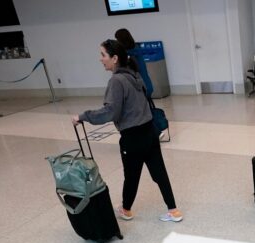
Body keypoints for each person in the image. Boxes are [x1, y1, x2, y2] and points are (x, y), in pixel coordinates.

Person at [72, 39, 183, 223]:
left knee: (131, 176)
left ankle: (126, 210)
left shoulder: (117, 80)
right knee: (159, 173)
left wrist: (82, 116)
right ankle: (173, 210)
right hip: (150, 131)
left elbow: (110, 112)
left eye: (103, 55)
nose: (101, 59)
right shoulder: (134, 74)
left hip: (133, 137)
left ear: (114, 58)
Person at [115, 28, 154, 99]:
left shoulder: (127, 55)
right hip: (148, 86)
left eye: (117, 40)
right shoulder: (137, 49)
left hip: (140, 89)